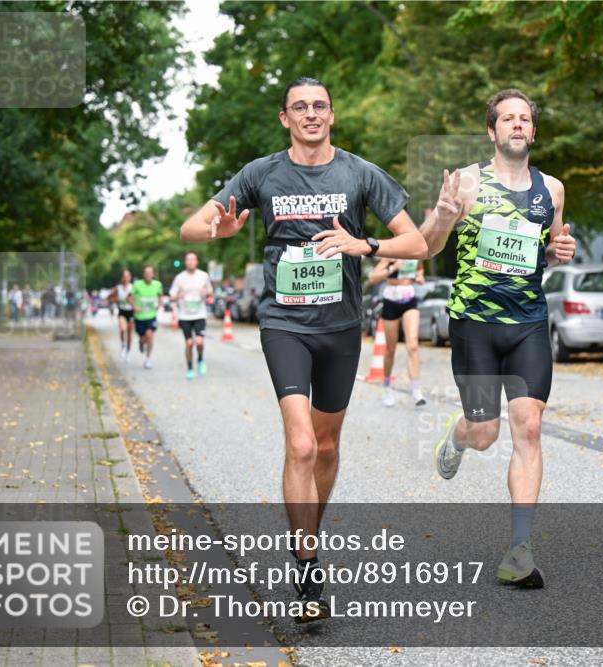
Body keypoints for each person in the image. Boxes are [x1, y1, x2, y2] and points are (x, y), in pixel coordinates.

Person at [180, 77, 426, 620]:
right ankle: (308, 564)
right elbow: (190, 228)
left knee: (328, 445)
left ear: (332, 115)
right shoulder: (261, 173)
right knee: (301, 445)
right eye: (300, 107)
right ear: (285, 118)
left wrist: (365, 244)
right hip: (283, 324)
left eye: (319, 106)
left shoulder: (360, 173)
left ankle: (308, 528)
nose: (311, 114)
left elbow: (418, 241)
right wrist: (215, 231)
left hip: (339, 328)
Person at [419, 89, 576, 589]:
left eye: (524, 119)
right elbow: (428, 245)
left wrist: (559, 252)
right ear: (492, 131)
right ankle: (459, 435)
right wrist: (443, 214)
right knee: (486, 434)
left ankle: (520, 550)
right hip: (475, 324)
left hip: (528, 320)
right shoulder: (465, 181)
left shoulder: (551, 189)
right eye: (507, 118)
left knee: (527, 428)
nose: (516, 125)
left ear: (533, 131)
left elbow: (542, 254)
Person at [368, 257, 427, 407]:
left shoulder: (414, 253)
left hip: (410, 301)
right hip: (391, 301)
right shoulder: (390, 255)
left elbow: (420, 268)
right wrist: (393, 267)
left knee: (413, 345)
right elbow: (373, 277)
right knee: (390, 349)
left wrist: (420, 276)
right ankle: (387, 387)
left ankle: (416, 391)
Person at [169, 251, 214, 380]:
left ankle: (200, 359)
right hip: (184, 316)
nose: (190, 262)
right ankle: (190, 368)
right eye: (188, 260)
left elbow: (211, 293)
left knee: (199, 342)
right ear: (185, 262)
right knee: (189, 343)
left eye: (193, 259)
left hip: (200, 315)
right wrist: (178, 296)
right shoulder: (179, 278)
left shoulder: (203, 276)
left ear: (197, 261)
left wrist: (206, 292)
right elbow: (171, 296)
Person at [130, 266, 163, 370]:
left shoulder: (158, 284)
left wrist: (159, 304)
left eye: (150, 273)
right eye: (146, 273)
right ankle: (141, 342)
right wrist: (134, 306)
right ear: (143, 274)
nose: (148, 275)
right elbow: (129, 297)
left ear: (153, 274)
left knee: (150, 335)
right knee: (143, 338)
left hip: (151, 315)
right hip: (139, 316)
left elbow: (160, 296)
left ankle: (148, 359)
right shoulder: (137, 284)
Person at [113, 270, 135, 361]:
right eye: (124, 276)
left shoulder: (133, 288)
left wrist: (132, 301)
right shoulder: (118, 288)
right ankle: (123, 345)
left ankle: (128, 351)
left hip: (131, 312)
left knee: (129, 333)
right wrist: (116, 300)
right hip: (122, 311)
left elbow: (136, 299)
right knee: (123, 328)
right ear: (122, 278)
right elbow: (113, 297)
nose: (126, 278)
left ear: (130, 277)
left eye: (127, 276)